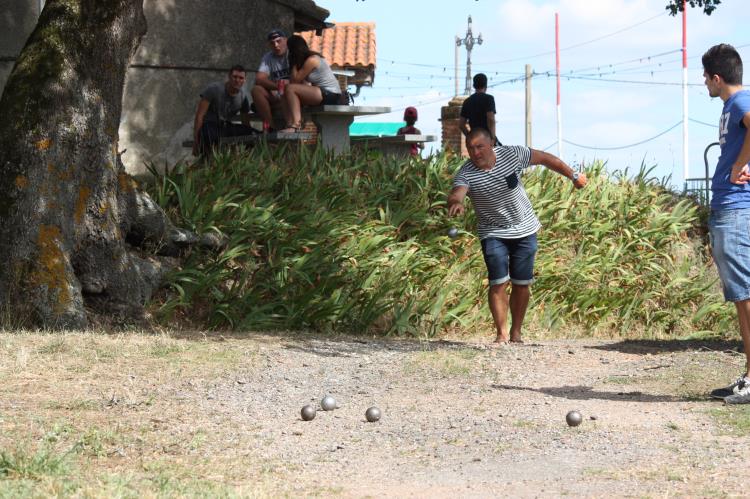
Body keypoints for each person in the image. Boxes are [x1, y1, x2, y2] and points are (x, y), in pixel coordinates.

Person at [447, 128, 587, 345]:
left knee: (522, 283)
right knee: (498, 282)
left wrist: (574, 176)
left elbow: (546, 159)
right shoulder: (467, 173)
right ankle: (501, 334)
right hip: (493, 232)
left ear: (491, 143)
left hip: (524, 229)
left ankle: (516, 332)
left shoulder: (512, 155)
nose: (475, 153)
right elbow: (458, 192)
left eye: (480, 147)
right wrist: (456, 202)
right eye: (471, 148)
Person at [702, 44, 750, 405]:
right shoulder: (733, 107)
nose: (704, 83)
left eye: (706, 77)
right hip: (731, 208)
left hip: (735, 209)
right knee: (742, 296)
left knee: (744, 297)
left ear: (717, 78)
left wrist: (738, 166)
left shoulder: (739, 103)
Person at [279, 34, 342, 133]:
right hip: (322, 93)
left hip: (330, 94)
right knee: (284, 94)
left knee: (290, 88)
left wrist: (293, 62)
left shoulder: (312, 60)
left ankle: (296, 125)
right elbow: (298, 83)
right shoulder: (305, 61)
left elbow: (294, 81)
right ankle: (289, 124)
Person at [192, 65, 255, 156]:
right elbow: (199, 115)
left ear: (244, 80)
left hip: (225, 127)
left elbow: (246, 122)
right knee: (209, 136)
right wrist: (196, 141)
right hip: (210, 125)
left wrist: (248, 134)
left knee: (254, 134)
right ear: (229, 77)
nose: (237, 80)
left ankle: (242, 162)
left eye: (241, 78)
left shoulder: (243, 97)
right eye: (235, 77)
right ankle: (209, 161)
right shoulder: (214, 89)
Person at [251, 29, 291, 131]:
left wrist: (285, 87)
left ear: (286, 40)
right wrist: (279, 85)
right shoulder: (268, 57)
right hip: (278, 94)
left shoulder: (292, 53)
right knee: (256, 90)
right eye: (272, 43)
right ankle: (270, 127)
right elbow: (259, 79)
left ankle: (292, 125)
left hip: (292, 94)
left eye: (279, 41)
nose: (276, 45)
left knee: (289, 91)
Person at [460, 73, 499, 145]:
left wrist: (469, 136)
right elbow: (491, 119)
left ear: (474, 86)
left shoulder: (467, 101)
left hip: (475, 140)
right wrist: (492, 138)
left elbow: (461, 124)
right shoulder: (489, 99)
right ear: (486, 86)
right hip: (486, 138)